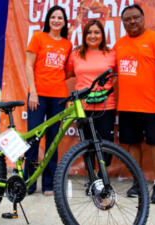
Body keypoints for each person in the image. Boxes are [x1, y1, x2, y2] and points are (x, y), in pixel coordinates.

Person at [114, 4, 155, 204]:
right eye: (127, 19)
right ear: (122, 23)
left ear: (143, 18)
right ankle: (137, 182)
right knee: (132, 144)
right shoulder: (119, 44)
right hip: (127, 106)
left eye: (136, 18)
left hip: (152, 106)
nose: (132, 22)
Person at [24, 5, 72, 196]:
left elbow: (67, 70)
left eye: (60, 18)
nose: (57, 21)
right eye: (53, 17)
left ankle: (49, 184)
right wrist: (33, 92)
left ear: (64, 22)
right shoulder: (38, 37)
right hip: (39, 95)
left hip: (59, 97)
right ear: (48, 20)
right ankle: (28, 181)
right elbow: (29, 65)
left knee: (53, 140)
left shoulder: (67, 44)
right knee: (33, 138)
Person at [66, 19, 116, 167]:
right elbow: (67, 73)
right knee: (87, 145)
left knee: (106, 144)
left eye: (96, 32)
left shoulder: (112, 54)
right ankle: (92, 180)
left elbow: (120, 75)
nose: (93, 36)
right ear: (84, 35)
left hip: (106, 106)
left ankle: (103, 177)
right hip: (83, 107)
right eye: (89, 32)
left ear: (102, 35)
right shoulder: (76, 54)